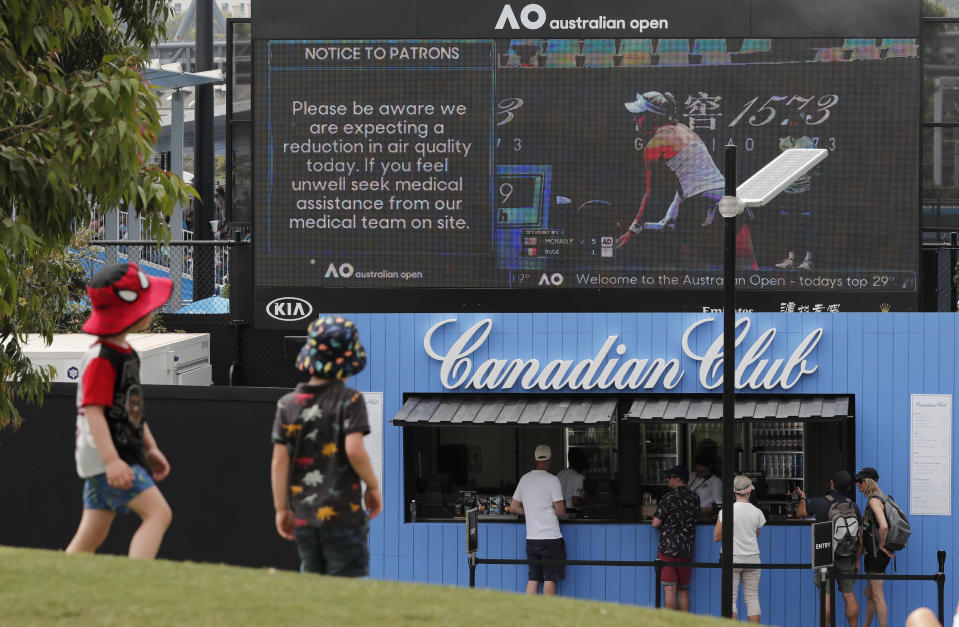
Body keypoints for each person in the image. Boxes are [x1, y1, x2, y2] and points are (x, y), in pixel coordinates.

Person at [65, 263, 174, 559]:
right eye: (148, 305)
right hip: (109, 458)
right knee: (158, 514)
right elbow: (93, 412)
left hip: (117, 455)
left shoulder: (127, 353)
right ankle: (136, 579)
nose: (153, 310)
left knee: (92, 533)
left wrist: (149, 448)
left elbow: (132, 409)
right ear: (130, 312)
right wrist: (112, 461)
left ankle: (63, 578)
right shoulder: (102, 359)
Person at [271, 316, 381, 577]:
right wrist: (373, 486)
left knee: (313, 584)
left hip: (304, 518)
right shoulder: (350, 400)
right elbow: (354, 449)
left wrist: (281, 509)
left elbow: (279, 461)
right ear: (349, 362)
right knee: (346, 587)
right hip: (344, 517)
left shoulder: (287, 405)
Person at [616, 91, 757, 270]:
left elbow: (651, 195)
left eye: (639, 115)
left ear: (654, 117)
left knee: (694, 272)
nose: (635, 120)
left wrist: (633, 230)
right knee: (748, 269)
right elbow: (685, 183)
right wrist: (671, 214)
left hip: (700, 203)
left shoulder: (653, 146)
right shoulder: (685, 129)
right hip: (732, 196)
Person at [796, 471, 861, 627]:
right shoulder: (853, 506)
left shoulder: (821, 502)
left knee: (826, 596)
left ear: (832, 484)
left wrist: (803, 498)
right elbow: (859, 535)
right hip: (847, 554)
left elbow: (801, 513)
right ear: (849, 488)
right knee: (849, 594)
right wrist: (857, 560)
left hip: (824, 553)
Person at [509, 444, 566, 595]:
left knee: (533, 577)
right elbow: (560, 511)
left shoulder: (525, 479)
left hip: (532, 538)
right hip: (550, 538)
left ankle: (531, 612)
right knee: (549, 578)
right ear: (550, 459)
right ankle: (546, 613)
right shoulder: (553, 480)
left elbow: (513, 507)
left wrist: (530, 511)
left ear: (535, 459)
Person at [714, 475, 766, 623]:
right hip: (753, 557)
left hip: (732, 557)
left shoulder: (726, 511)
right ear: (749, 492)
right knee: (752, 597)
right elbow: (756, 534)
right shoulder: (757, 512)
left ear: (734, 491)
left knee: (730, 599)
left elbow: (717, 536)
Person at [652, 465, 700, 612]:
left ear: (677, 479)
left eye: (669, 477)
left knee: (670, 589)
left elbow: (655, 523)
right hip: (687, 549)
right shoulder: (695, 497)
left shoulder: (668, 497)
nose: (667, 480)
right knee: (683, 589)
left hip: (668, 549)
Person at [773, 121, 819, 271]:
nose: (793, 128)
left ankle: (808, 260)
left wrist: (812, 183)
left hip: (804, 192)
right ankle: (791, 259)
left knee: (806, 225)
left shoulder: (807, 143)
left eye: (796, 125)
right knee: (789, 226)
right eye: (791, 125)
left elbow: (815, 165)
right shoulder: (784, 143)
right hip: (787, 191)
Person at [857, 467, 891, 627]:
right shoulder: (880, 498)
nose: (857, 484)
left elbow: (883, 526)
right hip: (874, 555)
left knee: (877, 596)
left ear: (868, 482)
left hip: (877, 555)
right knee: (869, 594)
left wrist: (881, 545)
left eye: (860, 481)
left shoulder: (874, 500)